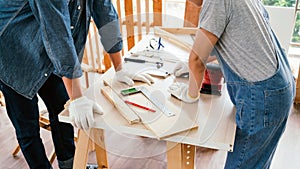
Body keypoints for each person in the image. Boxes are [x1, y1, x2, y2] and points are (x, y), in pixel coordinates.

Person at [0, 0, 153, 168]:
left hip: (49, 49)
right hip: (11, 51)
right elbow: (58, 34)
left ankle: (71, 165)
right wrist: (78, 99)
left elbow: (106, 14)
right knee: (27, 125)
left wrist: (119, 69)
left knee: (62, 110)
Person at [169, 0, 295, 168]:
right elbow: (235, 39)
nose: (190, 2)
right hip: (279, 86)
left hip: (263, 96)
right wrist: (193, 62)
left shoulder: (216, 2)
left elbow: (197, 60)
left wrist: (191, 94)